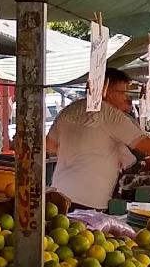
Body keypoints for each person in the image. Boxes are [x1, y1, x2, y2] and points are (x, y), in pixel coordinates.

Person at [46, 69, 144, 211]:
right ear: (107, 90)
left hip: (60, 193)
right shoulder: (110, 116)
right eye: (122, 92)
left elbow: (50, 144)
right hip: (89, 201)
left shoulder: (70, 110)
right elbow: (145, 145)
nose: (125, 98)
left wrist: (75, 152)